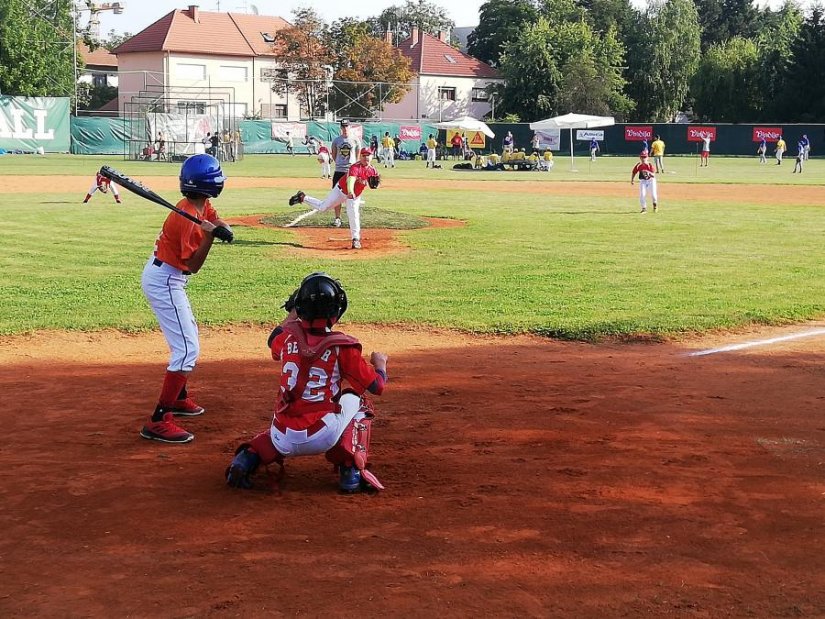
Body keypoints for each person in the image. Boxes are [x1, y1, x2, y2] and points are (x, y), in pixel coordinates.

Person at [225, 272, 389, 493]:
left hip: (281, 434)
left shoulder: (286, 338)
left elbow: (274, 337)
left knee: (287, 419)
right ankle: (351, 469)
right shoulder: (343, 347)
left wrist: (295, 309)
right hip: (323, 435)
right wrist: (380, 365)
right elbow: (377, 386)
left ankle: (247, 459)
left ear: (299, 308)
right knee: (359, 401)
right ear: (337, 309)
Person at [139, 154, 232, 443]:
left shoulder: (197, 206)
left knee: (186, 337)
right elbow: (192, 265)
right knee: (187, 349)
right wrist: (210, 238)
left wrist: (221, 228)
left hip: (166, 277)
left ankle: (178, 398)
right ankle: (159, 419)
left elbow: (214, 216)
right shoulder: (187, 218)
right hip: (166, 279)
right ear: (213, 184)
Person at [288, 147, 380, 250]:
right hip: (341, 191)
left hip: (355, 196)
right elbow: (351, 180)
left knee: (353, 215)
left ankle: (355, 239)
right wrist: (350, 191)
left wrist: (376, 185)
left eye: (368, 155)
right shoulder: (355, 167)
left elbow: (376, 182)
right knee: (323, 207)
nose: (366, 157)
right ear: (360, 156)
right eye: (364, 155)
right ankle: (303, 197)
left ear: (372, 156)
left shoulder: (372, 170)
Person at [330, 119, 361, 228]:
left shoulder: (355, 140)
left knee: (351, 194)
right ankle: (337, 218)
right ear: (341, 128)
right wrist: (339, 163)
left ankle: (351, 218)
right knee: (336, 196)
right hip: (339, 171)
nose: (345, 129)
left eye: (346, 126)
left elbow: (358, 153)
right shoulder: (336, 140)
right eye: (343, 127)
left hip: (350, 172)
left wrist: (353, 166)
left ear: (350, 127)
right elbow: (334, 154)